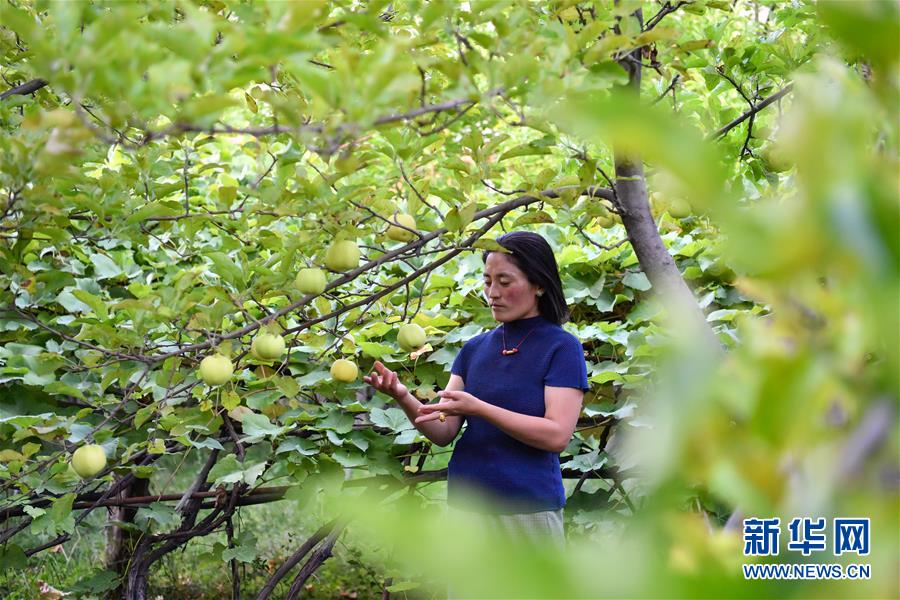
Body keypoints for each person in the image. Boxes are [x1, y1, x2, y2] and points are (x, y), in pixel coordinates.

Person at [364, 231, 588, 545]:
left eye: (505, 282)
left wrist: (480, 409)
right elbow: (443, 431)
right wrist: (402, 395)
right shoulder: (474, 349)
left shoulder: (562, 347)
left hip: (528, 511)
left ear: (539, 284)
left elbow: (556, 435)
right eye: (487, 281)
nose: (492, 292)